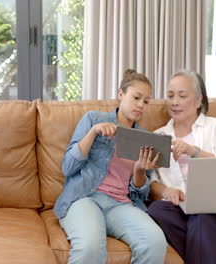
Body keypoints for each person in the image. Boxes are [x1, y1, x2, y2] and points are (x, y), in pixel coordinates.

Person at [54, 69, 168, 264]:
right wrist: (92, 134)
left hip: (120, 205)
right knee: (90, 248)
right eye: (136, 97)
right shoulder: (94, 120)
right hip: (85, 198)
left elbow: (140, 193)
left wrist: (140, 169)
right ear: (121, 94)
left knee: (155, 242)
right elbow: (68, 167)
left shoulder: (144, 138)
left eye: (146, 101)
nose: (141, 105)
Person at [147, 71, 216, 264]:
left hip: (213, 205)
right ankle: (207, 246)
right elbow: (151, 181)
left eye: (182, 95)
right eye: (170, 96)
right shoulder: (159, 136)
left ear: (198, 101)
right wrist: (166, 190)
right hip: (179, 207)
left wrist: (193, 151)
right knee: (156, 210)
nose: (174, 102)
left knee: (202, 217)